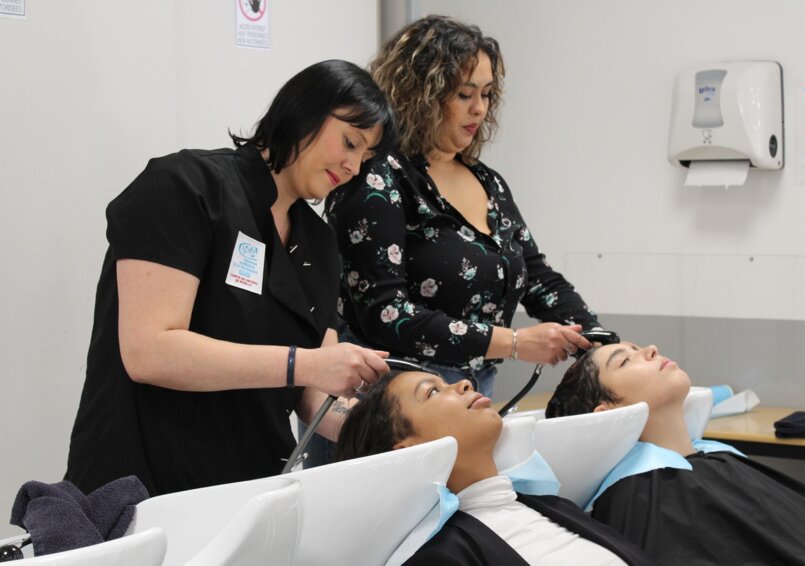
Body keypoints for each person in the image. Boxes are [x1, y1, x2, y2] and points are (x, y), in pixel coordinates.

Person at [65, 60, 396, 496]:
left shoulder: (318, 243)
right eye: (350, 142)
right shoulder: (186, 187)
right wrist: (305, 363)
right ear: (304, 110)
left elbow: (315, 397)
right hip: (142, 485)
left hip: (246, 490)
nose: (353, 166)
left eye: (365, 157)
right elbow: (149, 352)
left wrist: (391, 430)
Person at [326, 15, 609, 399]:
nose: (479, 109)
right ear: (420, 93)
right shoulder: (377, 177)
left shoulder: (487, 181)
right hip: (393, 402)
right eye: (464, 94)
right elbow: (384, 314)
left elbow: (538, 277)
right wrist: (512, 342)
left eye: (487, 94)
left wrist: (600, 341)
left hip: (470, 397)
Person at [546, 342, 805, 565]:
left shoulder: (712, 456)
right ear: (607, 410)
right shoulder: (641, 495)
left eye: (638, 348)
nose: (651, 349)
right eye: (624, 361)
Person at [336, 370, 652, 566]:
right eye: (432, 391)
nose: (463, 382)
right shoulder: (441, 556)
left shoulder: (551, 505)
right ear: (408, 449)